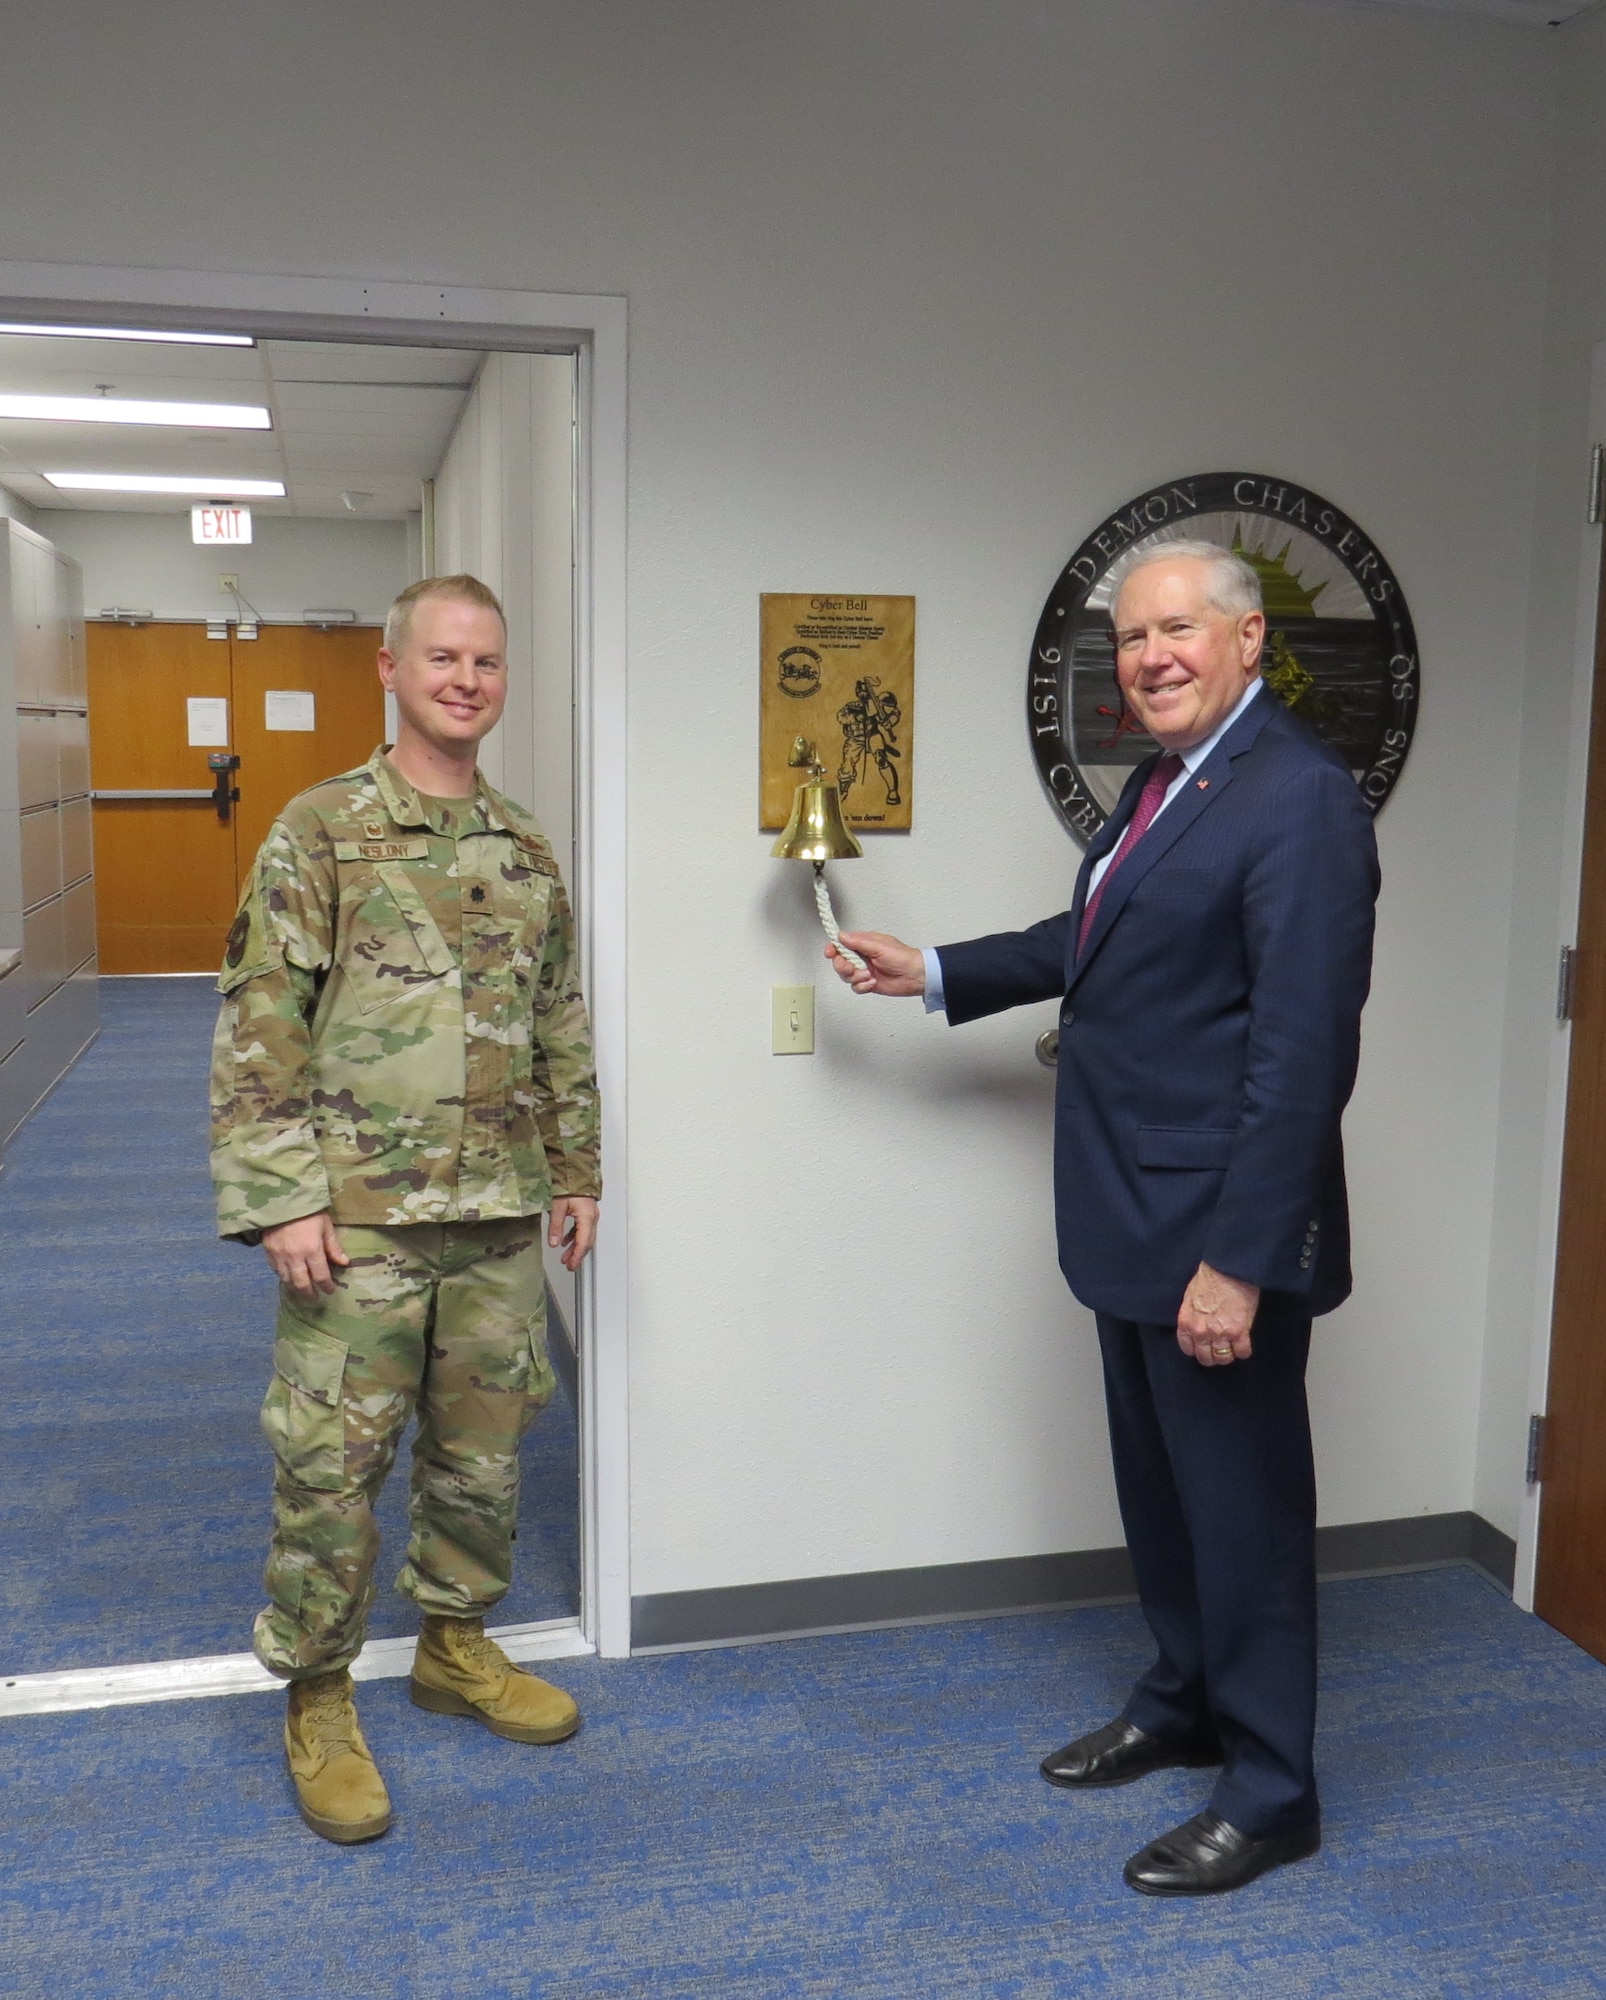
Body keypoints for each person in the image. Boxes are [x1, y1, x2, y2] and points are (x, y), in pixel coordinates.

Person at [827, 540, 1378, 1896]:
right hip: (1128, 1221)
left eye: (1176, 630)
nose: (1149, 658)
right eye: (1129, 638)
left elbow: (1300, 1061)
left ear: (1248, 640)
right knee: (1162, 1493)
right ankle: (1182, 1700)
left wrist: (1239, 1266)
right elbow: (1101, 942)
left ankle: (1270, 1790)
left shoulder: (1297, 800)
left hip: (1215, 1243)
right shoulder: (1164, 782)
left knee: (1240, 1516)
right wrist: (941, 969)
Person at [211, 574, 601, 1845]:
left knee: (484, 1457)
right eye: (443, 657)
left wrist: (579, 1167)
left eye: (486, 661)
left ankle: (454, 1644)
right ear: (390, 668)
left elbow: (556, 1019)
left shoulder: (527, 845)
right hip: (359, 1221)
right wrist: (280, 1197)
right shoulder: (319, 829)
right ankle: (318, 1692)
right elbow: (260, 1017)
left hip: (495, 1214)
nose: (466, 680)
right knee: (332, 1467)